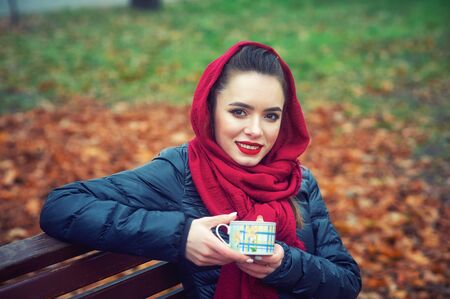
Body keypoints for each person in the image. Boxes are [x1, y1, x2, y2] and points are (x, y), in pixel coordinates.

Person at [40, 41, 361, 299]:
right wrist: (181, 236)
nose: (255, 130)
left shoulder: (297, 180)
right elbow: (62, 206)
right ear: (210, 110)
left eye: (271, 116)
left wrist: (285, 264)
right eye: (239, 111)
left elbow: (346, 282)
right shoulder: (181, 172)